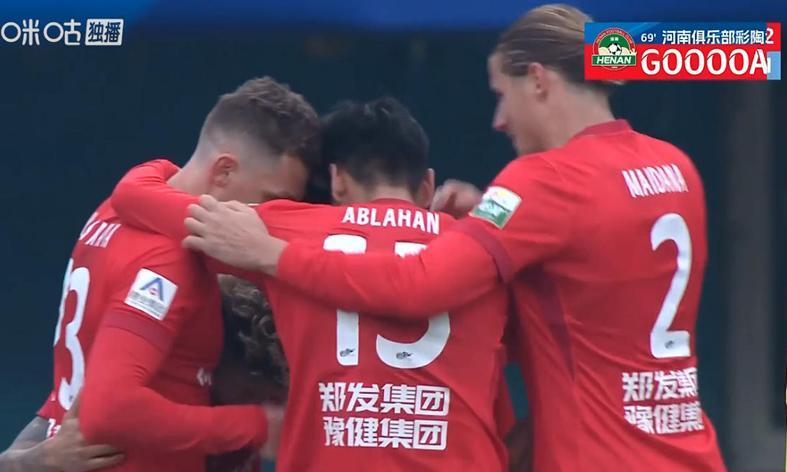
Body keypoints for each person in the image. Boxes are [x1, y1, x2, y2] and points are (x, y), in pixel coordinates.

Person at [164, 6, 727, 472]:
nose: (499, 120)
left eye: (501, 93)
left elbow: (420, 285)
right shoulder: (675, 168)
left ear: (537, 79)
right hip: (690, 450)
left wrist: (273, 255)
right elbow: (598, 278)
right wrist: (494, 219)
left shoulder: (543, 181)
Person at [110, 97, 511, 470]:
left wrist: (158, 170)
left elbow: (135, 199)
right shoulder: (482, 247)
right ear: (426, 185)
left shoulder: (287, 229)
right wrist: (483, 210)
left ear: (337, 180)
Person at [25, 76, 319, 472]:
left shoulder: (113, 211)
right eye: (271, 200)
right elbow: (110, 408)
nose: (270, 219)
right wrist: (258, 426)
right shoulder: (168, 257)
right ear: (224, 172)